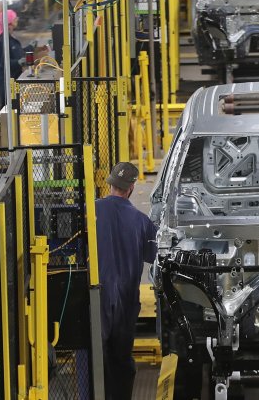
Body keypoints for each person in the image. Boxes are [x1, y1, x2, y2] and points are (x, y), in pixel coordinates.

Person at [96, 162, 157, 400]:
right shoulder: (143, 222)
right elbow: (152, 258)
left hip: (97, 296)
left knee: (96, 357)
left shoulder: (90, 210)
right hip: (126, 299)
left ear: (110, 183)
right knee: (120, 358)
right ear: (132, 188)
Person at [0, 9, 25, 109]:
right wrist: (19, 62)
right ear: (9, 22)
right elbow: (3, 63)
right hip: (7, 83)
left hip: (15, 80)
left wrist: (31, 48)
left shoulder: (11, 38)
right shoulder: (2, 41)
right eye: (15, 19)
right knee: (8, 109)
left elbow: (17, 53)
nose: (17, 20)